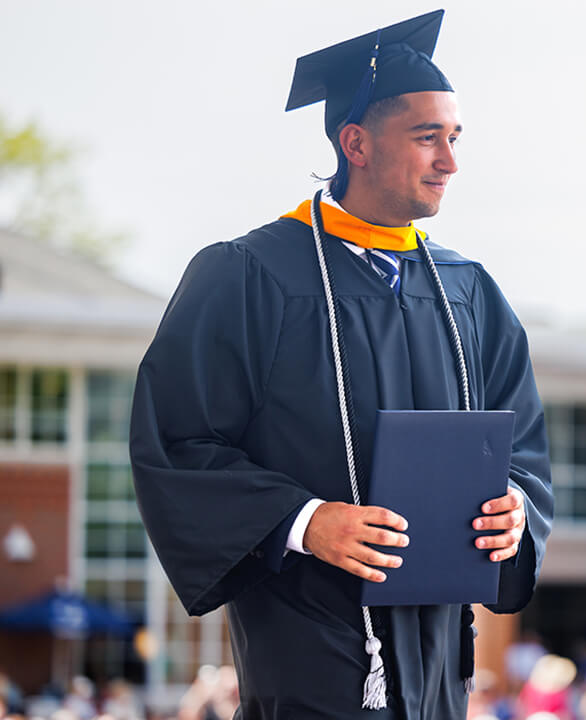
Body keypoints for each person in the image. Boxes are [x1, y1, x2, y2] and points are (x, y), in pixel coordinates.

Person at [129, 10, 553, 719]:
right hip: (312, 649)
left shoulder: (467, 290)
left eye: (453, 138)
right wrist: (303, 519)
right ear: (355, 142)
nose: (450, 161)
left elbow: (525, 452)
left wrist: (515, 511)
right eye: (427, 138)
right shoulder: (248, 275)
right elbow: (176, 442)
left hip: (442, 663)